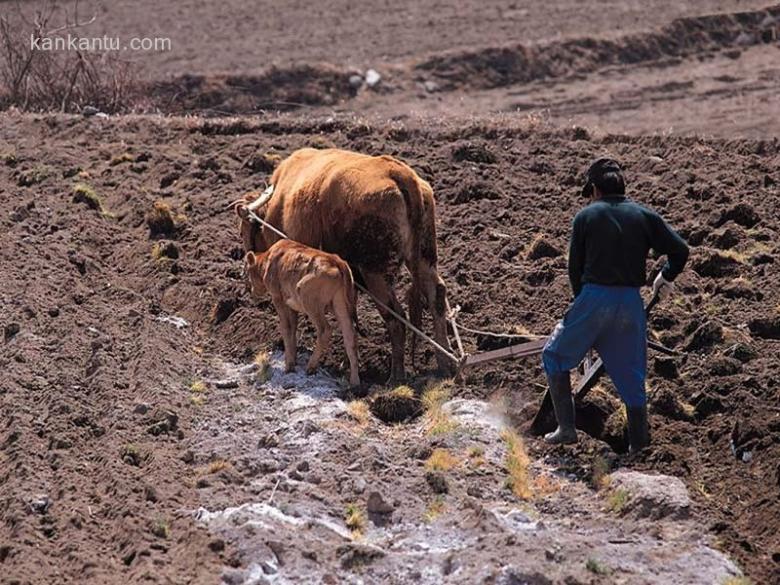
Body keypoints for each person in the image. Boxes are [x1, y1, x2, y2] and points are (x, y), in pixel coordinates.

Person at [541, 158, 689, 452]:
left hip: (594, 298)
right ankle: (639, 446)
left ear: (594, 189)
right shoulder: (645, 216)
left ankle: (566, 429)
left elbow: (575, 271)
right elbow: (681, 250)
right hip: (630, 303)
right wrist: (665, 276)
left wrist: (581, 318)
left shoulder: (586, 217)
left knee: (555, 355)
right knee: (632, 378)